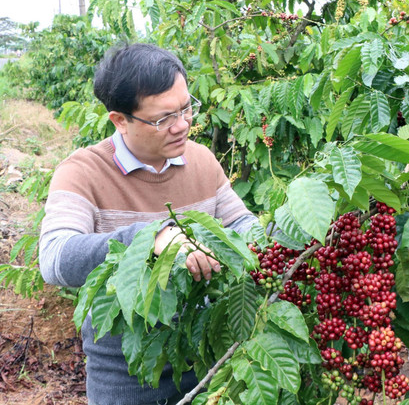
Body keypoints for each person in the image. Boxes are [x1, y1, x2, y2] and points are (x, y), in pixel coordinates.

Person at [39, 43, 258, 405]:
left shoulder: (202, 160)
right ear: (120, 120)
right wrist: (151, 239)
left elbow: (242, 223)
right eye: (162, 119)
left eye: (186, 108)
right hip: (126, 372)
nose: (183, 125)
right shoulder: (82, 172)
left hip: (207, 359)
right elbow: (54, 257)